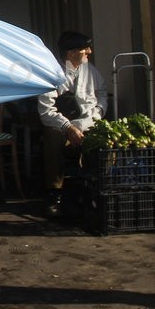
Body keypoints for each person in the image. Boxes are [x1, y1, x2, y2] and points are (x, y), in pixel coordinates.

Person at [36, 30, 108, 216]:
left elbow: (102, 93)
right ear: (71, 53)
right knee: (52, 138)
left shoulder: (90, 70)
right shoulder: (52, 75)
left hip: (89, 122)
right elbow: (46, 111)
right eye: (85, 49)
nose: (89, 52)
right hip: (62, 125)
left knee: (105, 141)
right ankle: (55, 193)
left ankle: (99, 191)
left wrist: (98, 112)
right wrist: (68, 128)